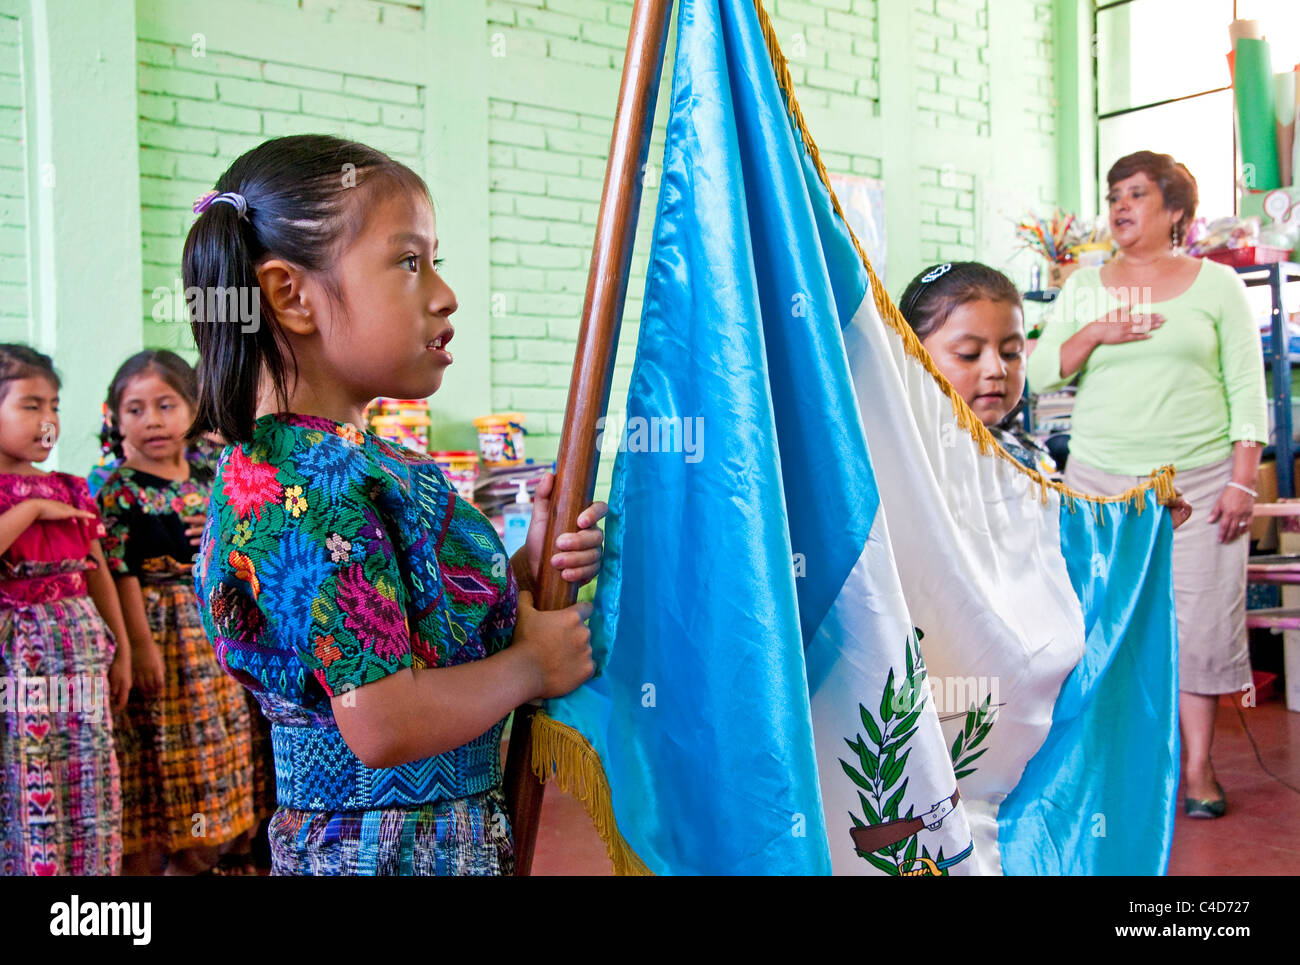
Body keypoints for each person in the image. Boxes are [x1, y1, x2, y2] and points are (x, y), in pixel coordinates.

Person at [187, 134, 603, 876]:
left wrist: (532, 559)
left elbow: (418, 627)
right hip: (381, 852)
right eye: (410, 262)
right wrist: (531, 668)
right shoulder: (298, 485)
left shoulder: (358, 462)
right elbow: (382, 719)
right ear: (291, 295)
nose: (443, 294)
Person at [1026, 150, 1267, 819]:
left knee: (1199, 622)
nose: (1121, 207)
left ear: (1176, 211)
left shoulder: (1218, 285)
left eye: (1136, 194)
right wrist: (1098, 330)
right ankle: (1108, 761)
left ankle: (1197, 769)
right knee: (1099, 619)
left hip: (1198, 476)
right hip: (1102, 478)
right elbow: (1043, 372)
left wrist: (1243, 482)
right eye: (1114, 195)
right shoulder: (1084, 285)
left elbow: (1247, 384)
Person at [96, 350, 258, 875]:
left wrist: (218, 535)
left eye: (166, 405)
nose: (152, 421)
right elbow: (120, 571)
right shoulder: (115, 489)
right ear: (115, 419)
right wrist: (138, 646)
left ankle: (206, 849)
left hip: (213, 634)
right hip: (155, 633)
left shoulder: (213, 476)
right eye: (135, 410)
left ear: (193, 409)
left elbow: (248, 544)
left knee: (209, 748)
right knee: (156, 748)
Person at [0, 343, 130, 875]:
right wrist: (31, 510)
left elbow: (97, 575)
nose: (48, 419)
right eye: (30, 405)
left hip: (79, 653)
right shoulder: (34, 498)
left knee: (86, 771)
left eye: (53, 405)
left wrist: (119, 649)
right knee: (25, 774)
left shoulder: (72, 489)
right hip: (17, 663)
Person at [898, 261, 1056, 475]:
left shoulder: (1021, 464)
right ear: (912, 356)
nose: (997, 370)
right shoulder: (896, 468)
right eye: (968, 354)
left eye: (1011, 352)